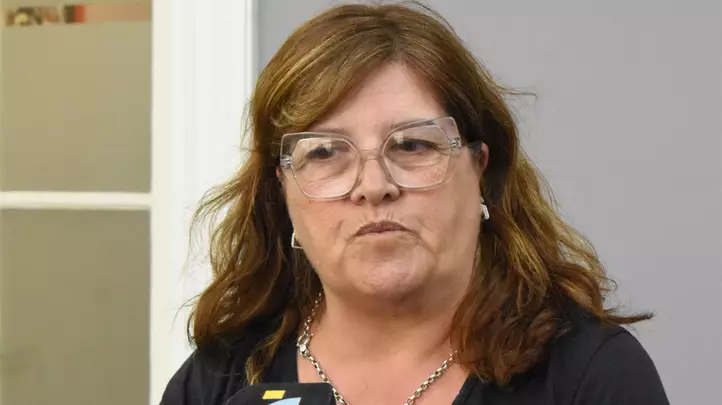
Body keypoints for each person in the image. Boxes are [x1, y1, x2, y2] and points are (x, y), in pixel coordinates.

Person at [161, 2, 669, 404]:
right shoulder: (217, 381)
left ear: (480, 170)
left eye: (412, 145)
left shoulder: (590, 375)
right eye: (325, 153)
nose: (373, 185)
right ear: (283, 192)